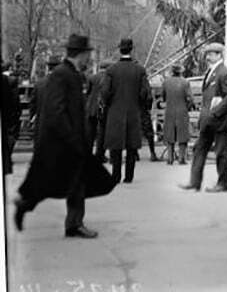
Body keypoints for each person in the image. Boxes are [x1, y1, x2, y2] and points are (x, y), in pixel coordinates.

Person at [14, 34, 115, 238]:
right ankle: (30, 206)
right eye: (88, 54)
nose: (89, 59)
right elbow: (56, 111)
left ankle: (73, 223)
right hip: (65, 142)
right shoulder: (62, 75)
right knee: (57, 181)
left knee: (75, 182)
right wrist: (71, 138)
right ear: (81, 54)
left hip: (72, 141)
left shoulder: (72, 74)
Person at [179, 42, 227, 193]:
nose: (208, 56)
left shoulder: (223, 72)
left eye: (211, 53)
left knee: (221, 153)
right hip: (207, 121)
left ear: (219, 55)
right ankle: (194, 181)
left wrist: (216, 112)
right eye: (207, 53)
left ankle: (223, 184)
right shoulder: (211, 72)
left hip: (219, 121)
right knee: (199, 150)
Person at [101, 38, 151, 184]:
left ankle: (116, 175)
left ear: (119, 49)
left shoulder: (111, 70)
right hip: (133, 111)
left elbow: (104, 92)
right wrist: (140, 106)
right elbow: (145, 93)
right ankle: (129, 176)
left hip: (115, 112)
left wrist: (109, 104)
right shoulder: (140, 70)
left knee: (115, 146)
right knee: (131, 146)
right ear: (132, 49)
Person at [162, 63, 193, 165]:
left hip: (170, 110)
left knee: (170, 134)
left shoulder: (166, 82)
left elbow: (163, 97)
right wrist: (187, 107)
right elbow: (190, 99)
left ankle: (170, 158)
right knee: (182, 135)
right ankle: (181, 158)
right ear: (181, 71)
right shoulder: (185, 82)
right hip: (182, 110)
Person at [85, 60, 110, 157]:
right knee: (102, 133)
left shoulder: (92, 77)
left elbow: (88, 91)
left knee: (90, 132)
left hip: (91, 107)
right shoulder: (108, 79)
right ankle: (100, 154)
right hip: (102, 108)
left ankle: (88, 152)